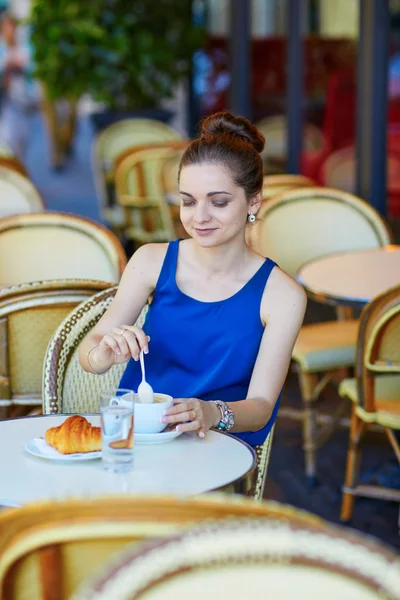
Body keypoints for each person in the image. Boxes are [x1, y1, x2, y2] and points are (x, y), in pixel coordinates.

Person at [79, 111, 307, 446]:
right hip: (140, 438)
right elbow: (91, 347)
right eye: (188, 201)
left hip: (217, 445)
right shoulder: (151, 261)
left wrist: (212, 412)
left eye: (218, 202)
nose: (199, 217)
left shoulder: (282, 295)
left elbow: (260, 407)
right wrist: (103, 355)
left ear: (253, 200)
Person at [0, 11, 36, 159]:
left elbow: (33, 74)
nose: (11, 31)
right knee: (8, 142)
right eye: (8, 27)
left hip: (24, 104)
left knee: (21, 143)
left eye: (13, 27)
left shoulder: (25, 49)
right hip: (6, 105)